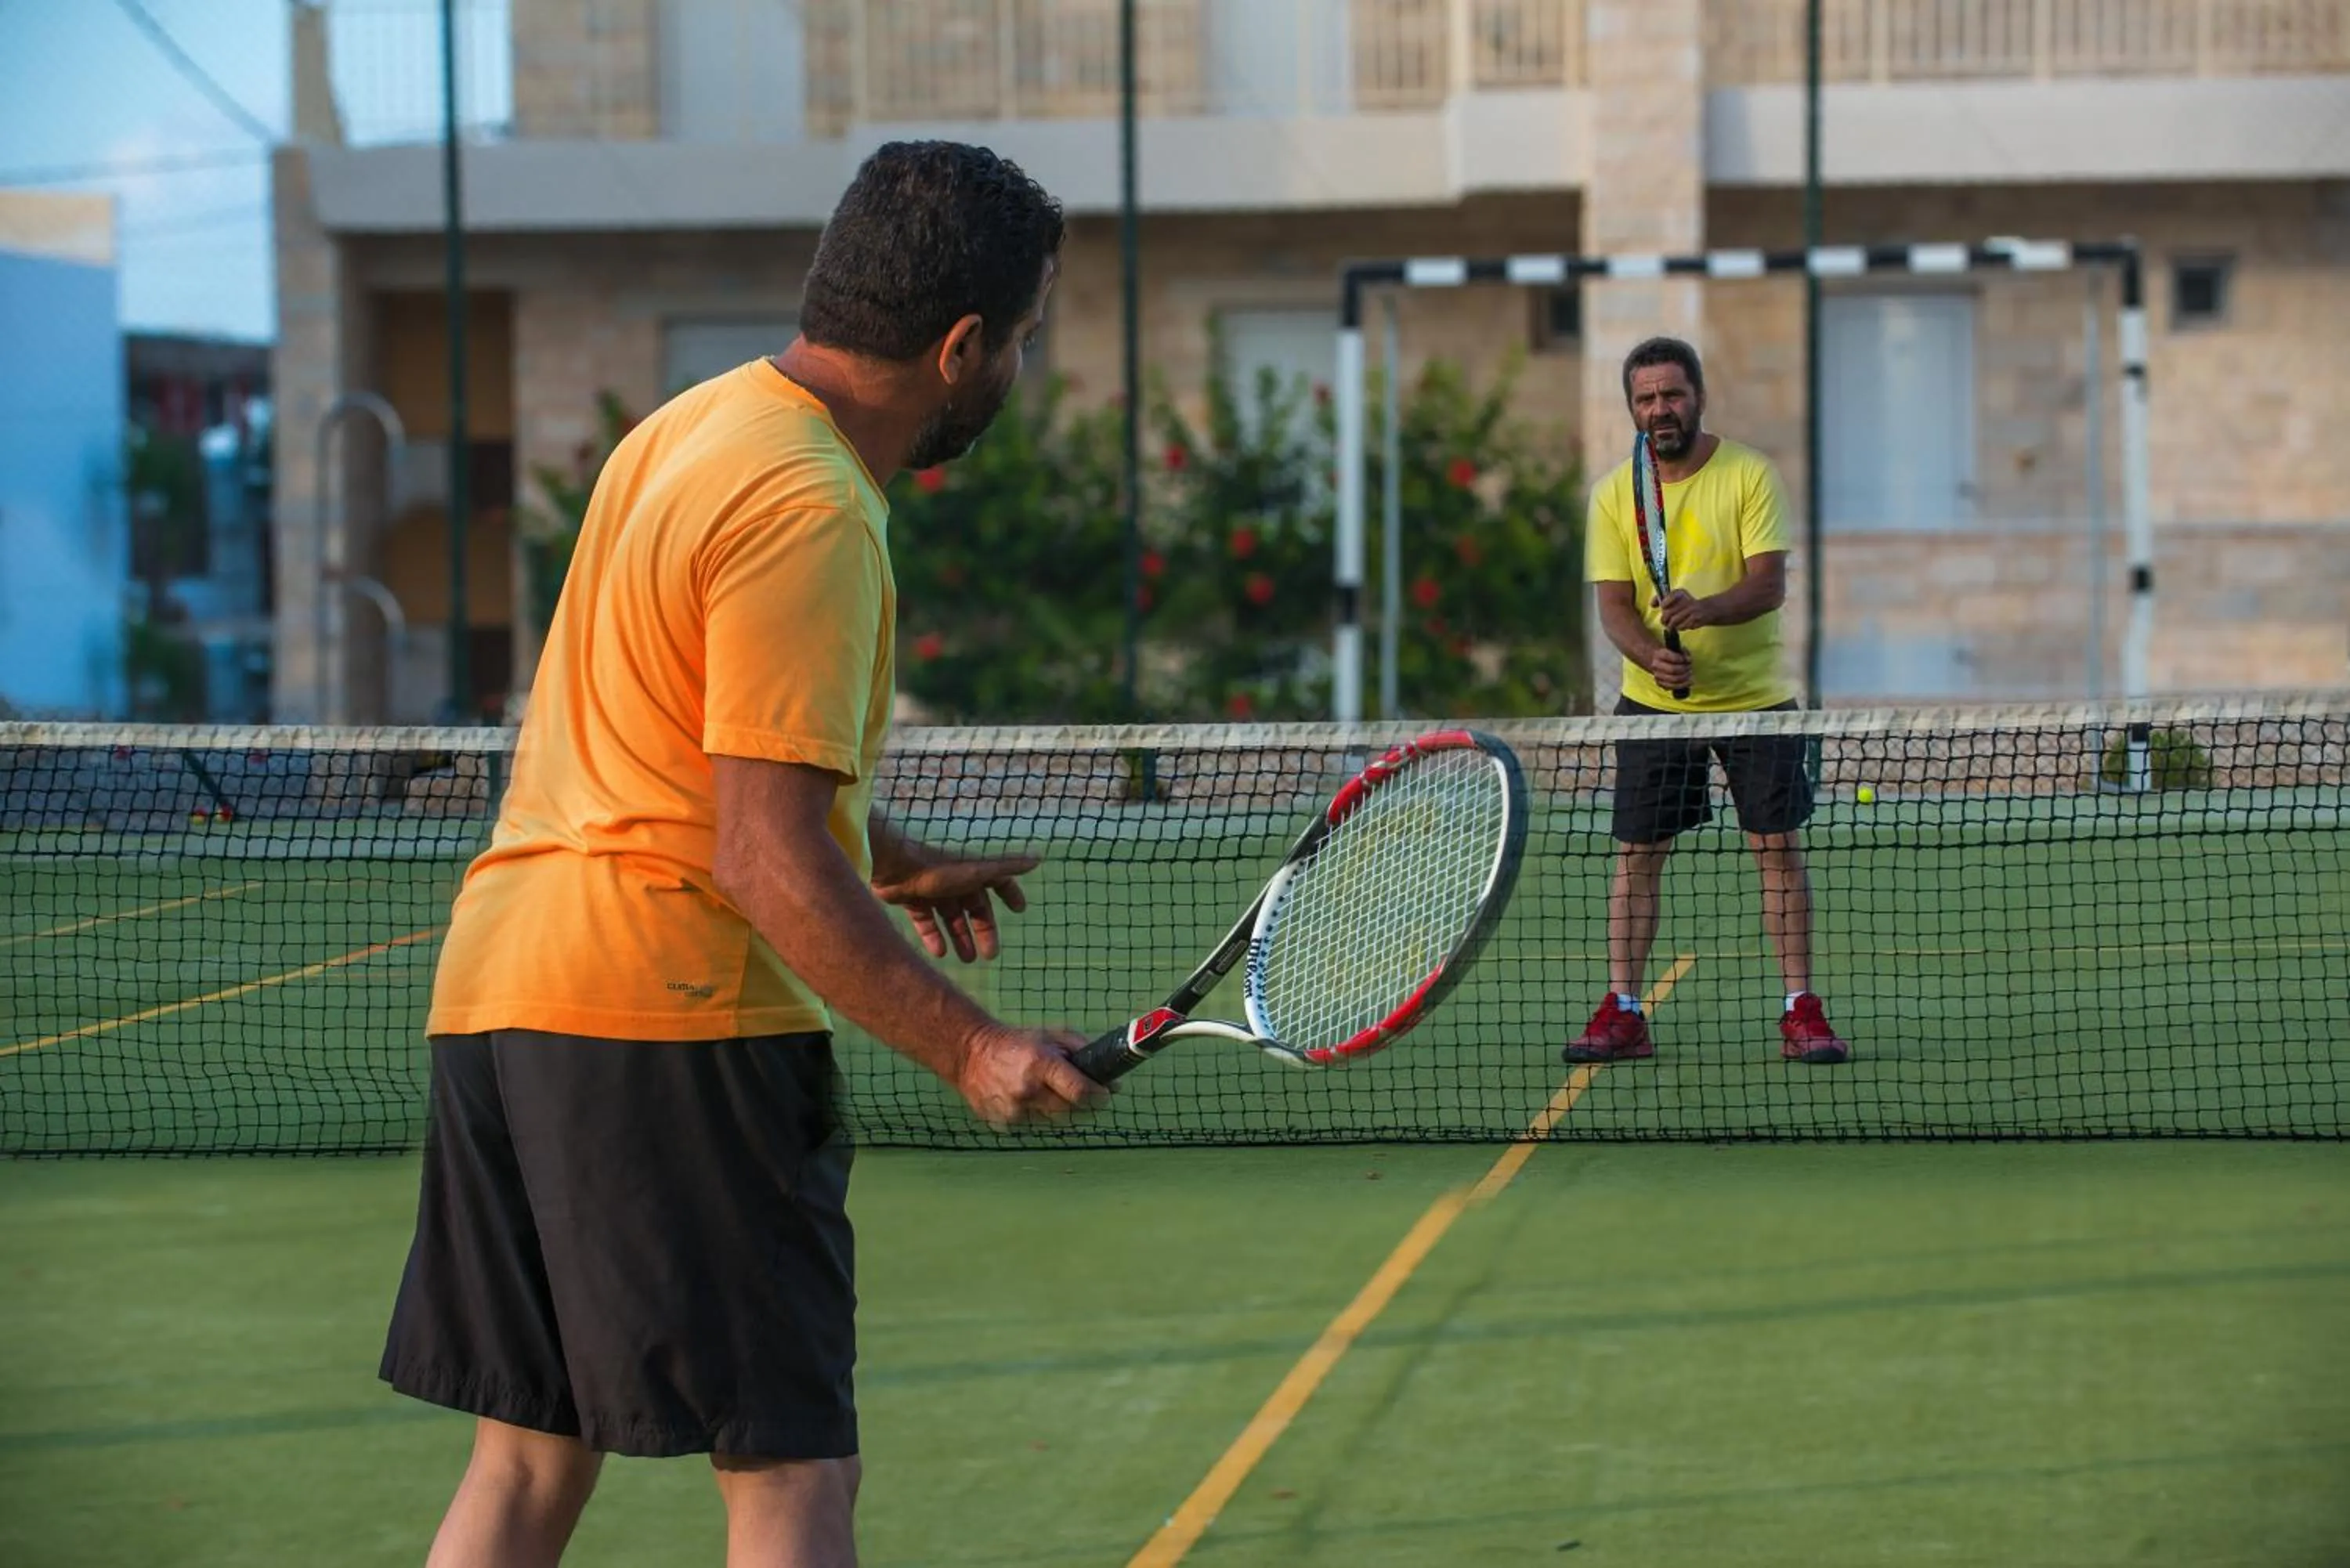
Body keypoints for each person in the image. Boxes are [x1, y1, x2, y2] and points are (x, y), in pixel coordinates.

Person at [379, 141, 1099, 1568]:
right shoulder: (815, 505)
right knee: (788, 1474)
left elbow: (686, 744)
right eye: (1019, 343)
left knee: (526, 1462)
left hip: (500, 996)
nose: (1017, 370)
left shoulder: (688, 430)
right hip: (668, 1007)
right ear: (959, 348)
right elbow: (762, 859)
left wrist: (880, 851)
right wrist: (969, 1047)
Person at [1567, 335, 1852, 1068]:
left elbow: (1768, 585)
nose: (1661, 409)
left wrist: (1703, 611)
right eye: (1646, 398)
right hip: (1653, 709)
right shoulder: (1611, 496)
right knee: (1637, 858)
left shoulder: (1750, 475)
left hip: (1756, 703)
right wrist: (1650, 655)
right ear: (1632, 408)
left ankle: (1801, 1010)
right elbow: (1615, 607)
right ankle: (1624, 1010)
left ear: (1698, 396)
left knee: (1777, 852)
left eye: (1672, 394)